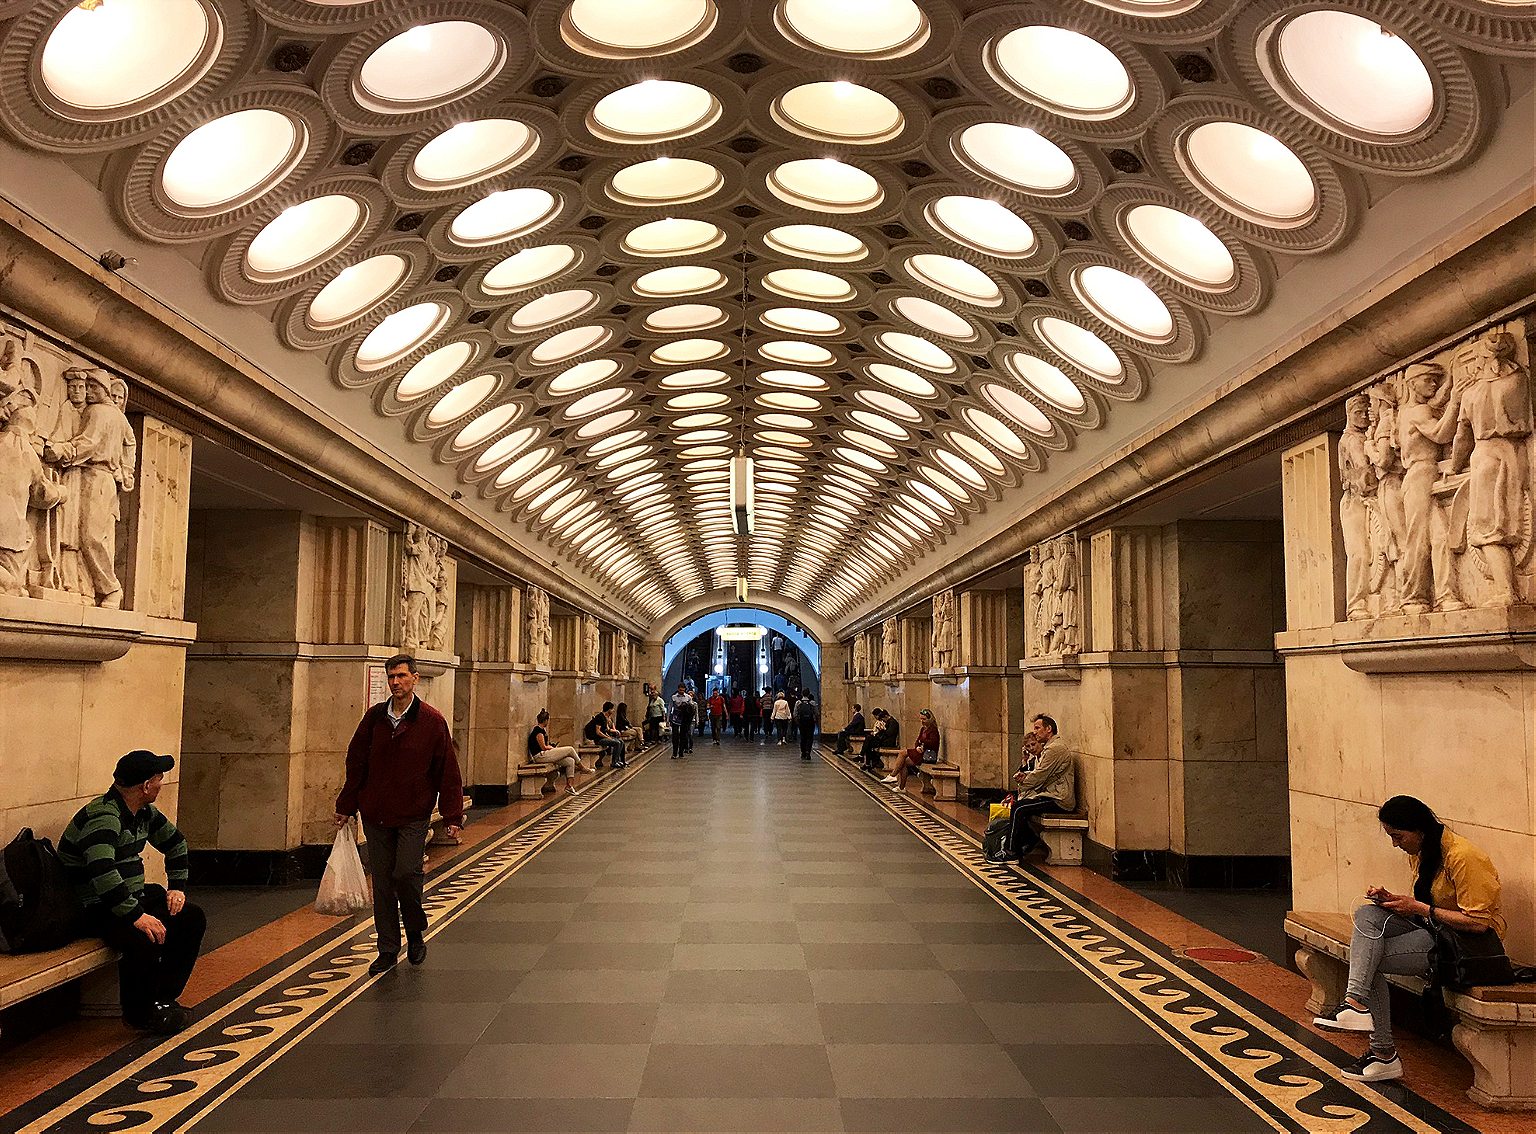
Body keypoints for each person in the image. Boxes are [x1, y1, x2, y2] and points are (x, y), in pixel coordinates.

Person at [1312, 795, 1505, 1084]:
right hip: (1432, 927)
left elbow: (1480, 923)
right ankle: (1356, 1002)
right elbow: (1426, 903)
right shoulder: (1424, 851)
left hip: (1462, 944)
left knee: (1369, 961)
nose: (1395, 844)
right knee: (1368, 915)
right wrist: (1394, 901)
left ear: (1420, 830)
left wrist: (1419, 909)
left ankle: (1382, 1053)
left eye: (1398, 836)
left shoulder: (1463, 856)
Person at [59, 750, 205, 1035]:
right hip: (94, 906)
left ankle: (162, 998)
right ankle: (141, 1014)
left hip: (128, 897)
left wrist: (177, 887)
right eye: (159, 778)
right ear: (146, 786)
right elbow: (102, 872)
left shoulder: (143, 813)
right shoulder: (103, 817)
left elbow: (176, 843)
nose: (163, 783)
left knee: (190, 917)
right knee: (143, 936)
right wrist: (137, 916)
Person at [335, 655, 464, 974]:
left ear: (415, 679)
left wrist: (451, 816)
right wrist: (346, 805)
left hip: (413, 813)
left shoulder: (432, 721)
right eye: (391, 676)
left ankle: (416, 932)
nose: (395, 682)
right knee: (382, 882)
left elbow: (447, 770)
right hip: (376, 813)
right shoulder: (374, 719)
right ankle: (388, 947)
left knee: (406, 873)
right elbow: (356, 764)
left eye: (402, 676)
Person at [998, 716, 1074, 862]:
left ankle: (1011, 850)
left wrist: (1023, 781)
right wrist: (1025, 775)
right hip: (1051, 794)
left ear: (1049, 729)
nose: (1035, 732)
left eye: (1038, 728)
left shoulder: (1055, 749)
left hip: (1059, 799)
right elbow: (1041, 774)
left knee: (1019, 808)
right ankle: (1029, 840)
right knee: (1020, 807)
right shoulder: (1050, 748)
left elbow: (1040, 775)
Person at [527, 709, 591, 796]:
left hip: (545, 755)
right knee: (570, 749)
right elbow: (543, 747)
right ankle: (582, 768)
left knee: (570, 761)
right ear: (545, 720)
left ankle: (569, 786)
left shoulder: (541, 730)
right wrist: (552, 747)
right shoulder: (538, 731)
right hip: (540, 756)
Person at [882, 708, 938, 792]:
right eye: (921, 719)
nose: (922, 721)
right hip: (920, 752)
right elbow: (917, 741)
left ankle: (893, 775)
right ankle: (901, 787)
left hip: (928, 755)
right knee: (903, 763)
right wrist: (918, 746)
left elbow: (933, 743)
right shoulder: (923, 729)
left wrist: (922, 742)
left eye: (924, 719)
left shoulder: (933, 729)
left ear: (929, 719)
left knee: (902, 753)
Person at [584, 701, 626, 769]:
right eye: (612, 709)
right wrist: (608, 737)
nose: (613, 710)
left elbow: (605, 730)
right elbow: (598, 732)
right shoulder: (600, 717)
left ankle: (618, 761)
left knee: (621, 742)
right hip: (598, 739)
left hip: (602, 737)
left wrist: (609, 736)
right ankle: (614, 762)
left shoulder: (605, 717)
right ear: (609, 709)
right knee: (617, 743)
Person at [864, 708, 899, 773]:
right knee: (869, 742)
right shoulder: (889, 722)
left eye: (883, 720)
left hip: (888, 742)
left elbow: (889, 733)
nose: (883, 721)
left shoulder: (893, 722)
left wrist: (881, 730)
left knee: (869, 742)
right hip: (884, 740)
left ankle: (868, 762)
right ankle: (869, 763)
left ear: (886, 716)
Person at [669, 686, 695, 759]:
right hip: (676, 718)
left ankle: (681, 753)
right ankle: (674, 753)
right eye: (680, 690)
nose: (681, 692)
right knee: (675, 736)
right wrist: (668, 718)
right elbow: (670, 708)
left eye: (683, 690)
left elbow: (691, 708)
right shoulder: (674, 697)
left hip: (684, 718)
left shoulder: (688, 697)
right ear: (678, 689)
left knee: (683, 736)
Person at [796, 692, 819, 761]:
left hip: (802, 722)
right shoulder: (812, 703)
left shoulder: (798, 703)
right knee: (809, 737)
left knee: (803, 737)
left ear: (802, 694)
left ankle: (803, 752)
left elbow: (795, 713)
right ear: (809, 694)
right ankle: (808, 752)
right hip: (810, 722)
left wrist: (797, 722)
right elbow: (816, 713)